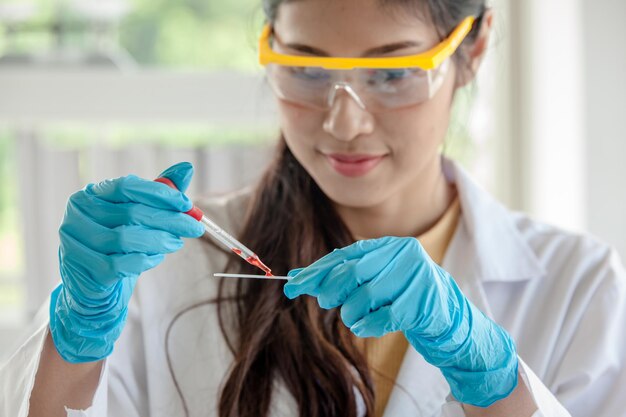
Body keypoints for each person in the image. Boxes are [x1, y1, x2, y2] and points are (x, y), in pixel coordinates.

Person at [2, 0, 625, 416]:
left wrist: (495, 381)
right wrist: (78, 334)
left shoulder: (579, 285)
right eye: (306, 69)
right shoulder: (160, 263)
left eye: (392, 73)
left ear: (475, 49)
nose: (345, 122)